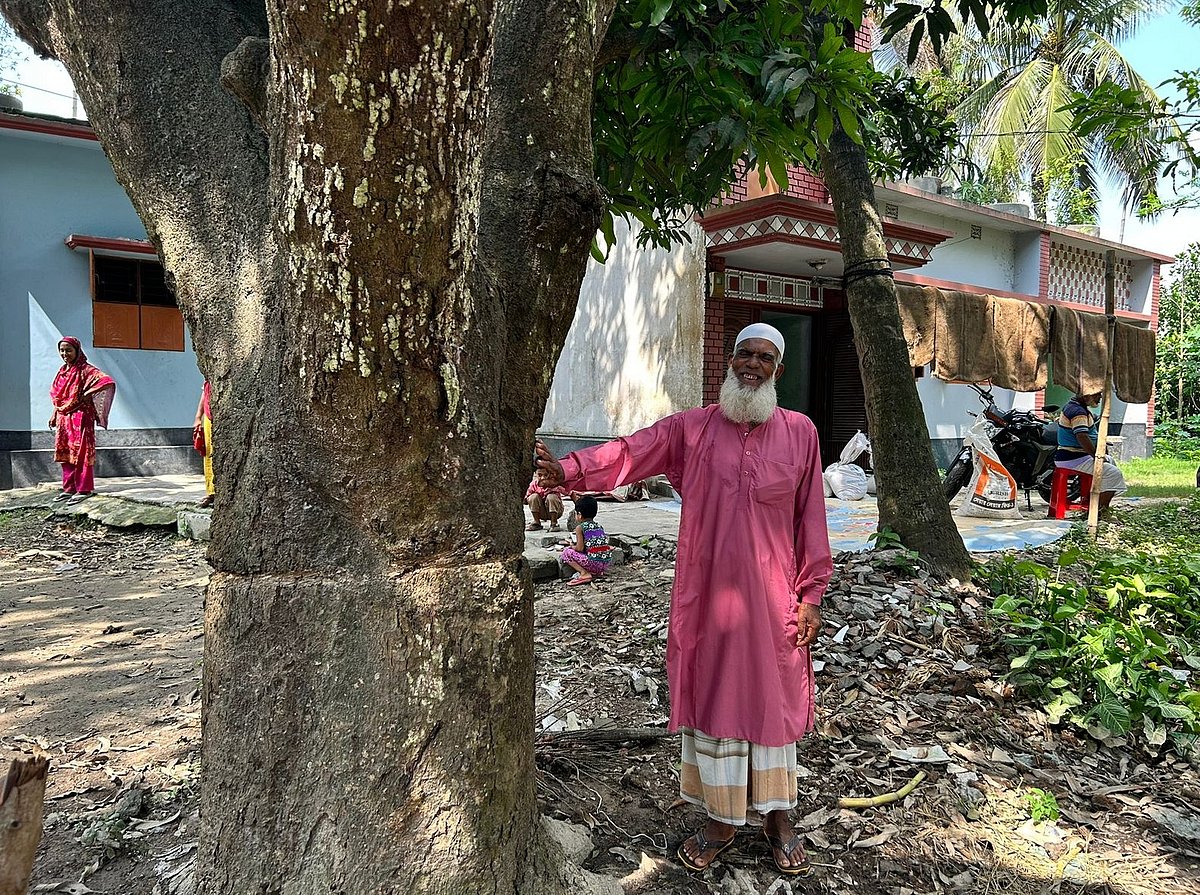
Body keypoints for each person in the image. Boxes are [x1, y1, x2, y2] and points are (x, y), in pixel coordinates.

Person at [535, 322, 831, 875]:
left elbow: (811, 517)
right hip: (710, 597)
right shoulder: (693, 430)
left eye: (765, 358)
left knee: (772, 704)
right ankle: (721, 819)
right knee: (718, 699)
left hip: (775, 603)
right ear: (730, 361)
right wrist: (570, 470)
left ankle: (777, 817)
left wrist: (811, 593)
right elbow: (633, 453)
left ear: (779, 371)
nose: (752, 365)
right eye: (745, 354)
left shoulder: (801, 434)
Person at [48, 337, 116, 502]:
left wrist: (87, 393)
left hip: (81, 418)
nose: (65, 354)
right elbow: (59, 398)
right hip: (64, 418)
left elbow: (107, 381)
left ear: (77, 351)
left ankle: (84, 489)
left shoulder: (85, 370)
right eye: (62, 350)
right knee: (66, 453)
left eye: (69, 350)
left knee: (81, 453)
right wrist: (54, 414)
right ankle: (69, 488)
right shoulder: (62, 372)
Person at [1055, 390, 1127, 512]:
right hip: (1073, 458)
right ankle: (1100, 511)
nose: (1100, 397)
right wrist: (1096, 455)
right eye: (1097, 394)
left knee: (1110, 461)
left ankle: (1094, 504)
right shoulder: (1078, 412)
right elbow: (1082, 436)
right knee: (1113, 474)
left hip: (1077, 456)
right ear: (1087, 394)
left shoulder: (1076, 407)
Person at [560, 495, 611, 586]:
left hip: (594, 563)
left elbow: (579, 548)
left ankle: (584, 573)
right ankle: (596, 572)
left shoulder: (580, 528)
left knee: (566, 552)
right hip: (604, 564)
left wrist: (572, 545)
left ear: (579, 515)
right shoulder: (599, 526)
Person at [193, 381, 215, 508]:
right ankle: (211, 492)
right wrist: (198, 416)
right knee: (208, 453)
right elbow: (204, 393)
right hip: (208, 416)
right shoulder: (209, 375)